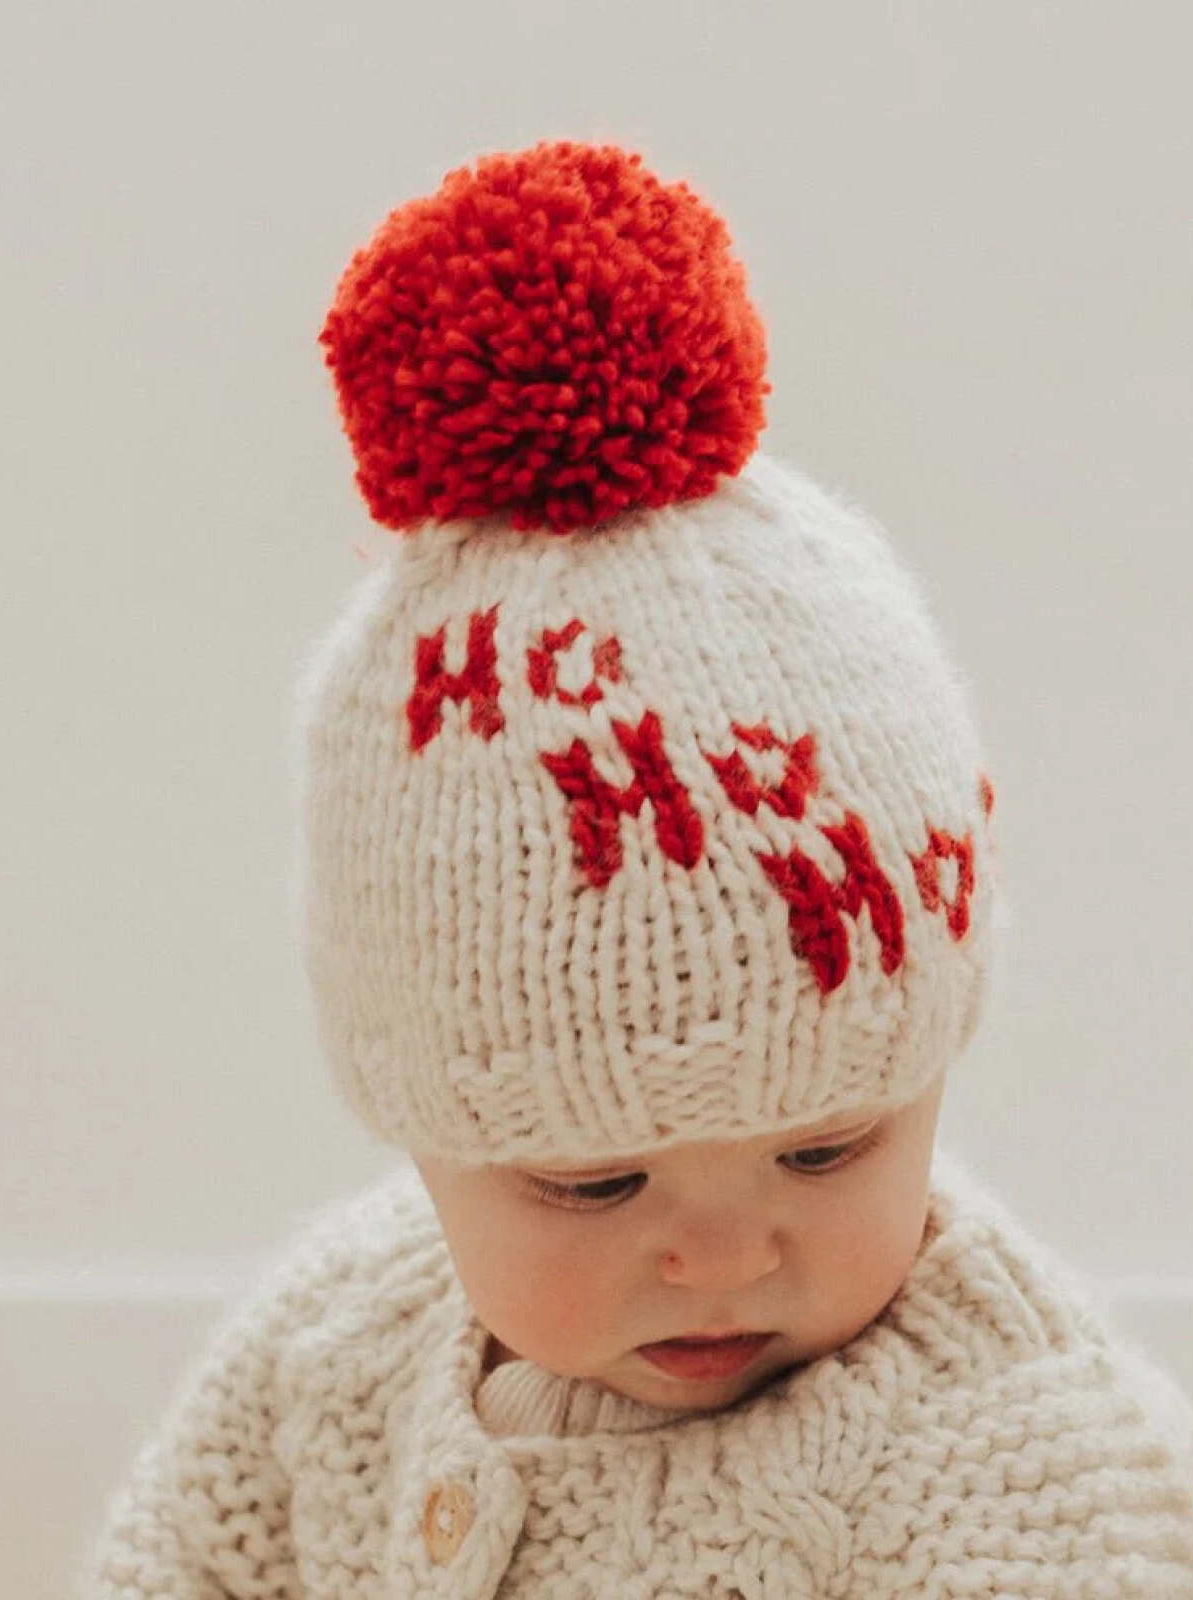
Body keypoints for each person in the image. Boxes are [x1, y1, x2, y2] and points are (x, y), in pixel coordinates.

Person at [77, 138, 1193, 1598]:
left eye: (826, 1148)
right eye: (593, 1183)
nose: (724, 1258)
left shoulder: (1010, 1476)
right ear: (416, 1123)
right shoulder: (335, 1344)